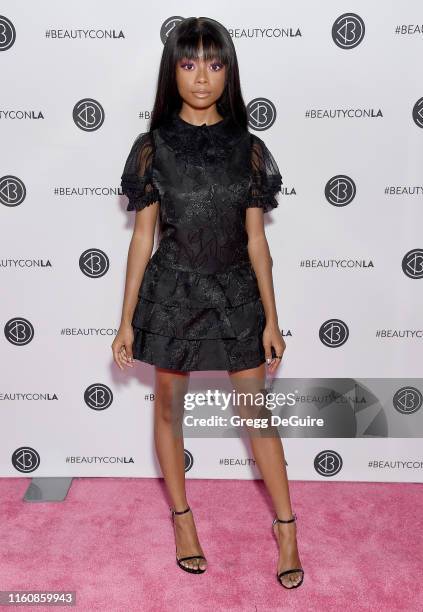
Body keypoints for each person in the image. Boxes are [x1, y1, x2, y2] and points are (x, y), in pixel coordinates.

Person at [112, 16, 304, 589]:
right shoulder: (152, 147)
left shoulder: (248, 148)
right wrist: (125, 321)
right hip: (172, 293)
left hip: (236, 292)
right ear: (173, 70)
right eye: (189, 63)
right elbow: (142, 238)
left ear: (230, 70)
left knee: (256, 414)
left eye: (214, 64)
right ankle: (182, 521)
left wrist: (271, 317)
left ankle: (287, 528)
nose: (202, 78)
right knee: (168, 411)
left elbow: (256, 240)